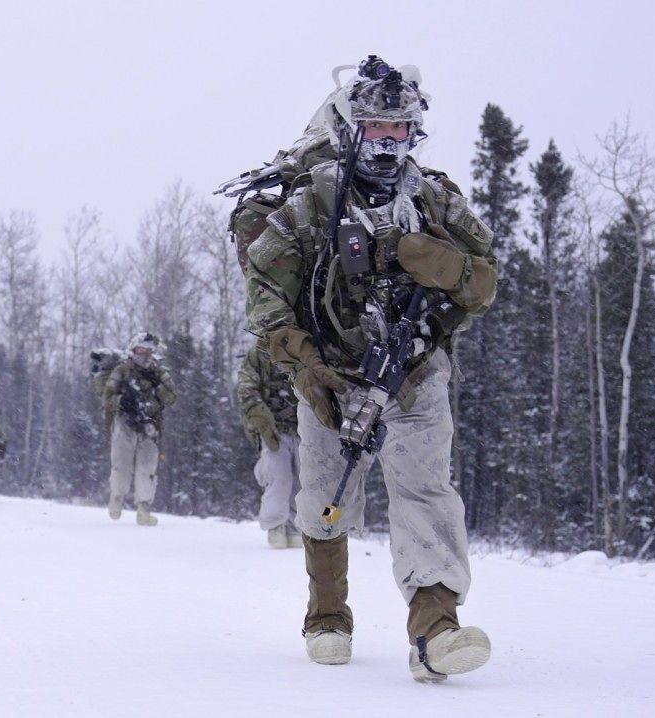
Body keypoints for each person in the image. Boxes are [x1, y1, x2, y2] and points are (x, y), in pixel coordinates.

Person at [241, 55, 497, 680]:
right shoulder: (312, 203)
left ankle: (436, 627)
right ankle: (327, 616)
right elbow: (264, 295)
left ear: (413, 133)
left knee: (424, 491)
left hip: (414, 373)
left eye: (398, 131)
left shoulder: (434, 200)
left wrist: (425, 257)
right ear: (351, 127)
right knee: (326, 489)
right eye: (375, 129)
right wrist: (305, 366)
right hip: (327, 374)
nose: (386, 143)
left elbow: (483, 279)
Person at [103, 332, 177, 527]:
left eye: (147, 350)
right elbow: (107, 398)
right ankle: (117, 497)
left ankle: (143, 508)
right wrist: (123, 401)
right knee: (121, 465)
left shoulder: (159, 372)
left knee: (147, 468)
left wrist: (154, 395)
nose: (143, 354)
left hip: (150, 425)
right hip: (125, 422)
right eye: (140, 350)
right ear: (133, 350)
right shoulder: (122, 370)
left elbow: (172, 395)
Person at [236, 339, 301, 549]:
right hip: (273, 428)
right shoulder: (259, 354)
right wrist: (262, 421)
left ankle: (297, 527)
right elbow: (247, 389)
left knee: (304, 479)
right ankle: (276, 526)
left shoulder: (305, 346)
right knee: (279, 474)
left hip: (304, 428)